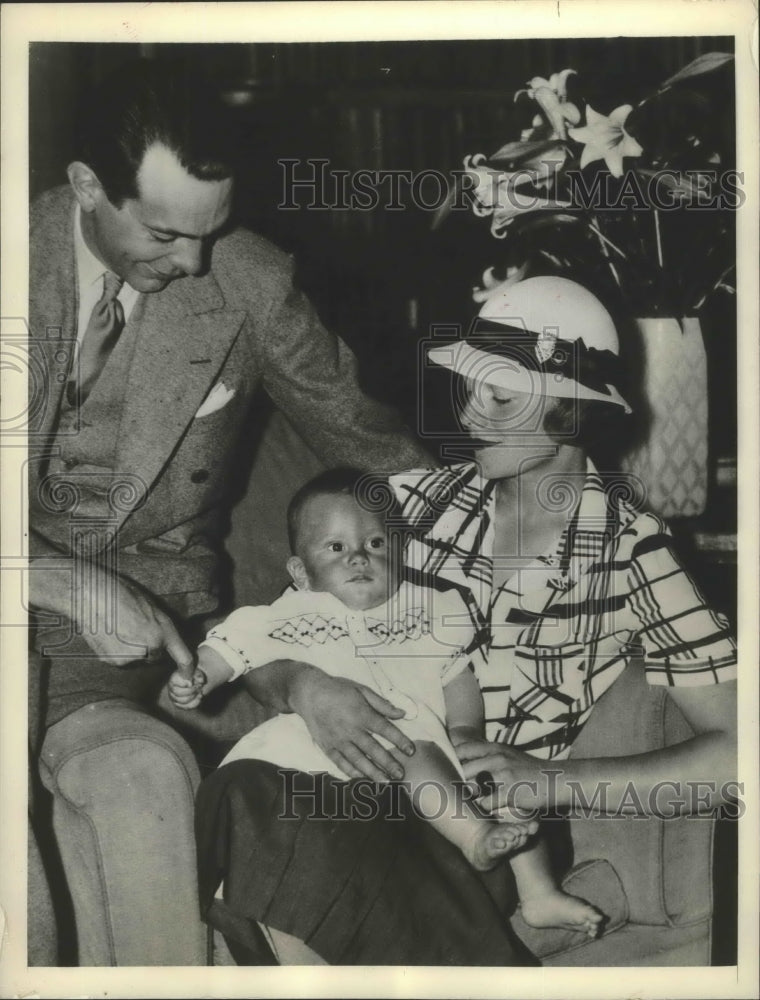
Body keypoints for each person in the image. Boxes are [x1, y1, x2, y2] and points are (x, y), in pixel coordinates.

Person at [27, 59, 431, 966]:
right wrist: (57, 576)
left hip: (156, 643)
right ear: (87, 187)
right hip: (24, 608)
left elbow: (368, 439)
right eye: (168, 234)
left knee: (143, 778)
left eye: (211, 232)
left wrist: (516, 546)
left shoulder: (244, 278)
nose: (196, 263)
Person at [236, 275, 737, 961]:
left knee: (285, 838)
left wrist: (550, 781)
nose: (471, 417)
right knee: (248, 797)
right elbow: (263, 637)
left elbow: (739, 755)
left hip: (484, 834)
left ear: (569, 409)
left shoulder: (631, 548)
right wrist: (302, 685)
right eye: (471, 392)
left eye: (499, 398)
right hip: (349, 783)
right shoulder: (402, 510)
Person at [171, 469, 602, 960]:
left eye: (375, 542)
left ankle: (536, 890)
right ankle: (475, 840)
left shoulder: (430, 610)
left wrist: (465, 731)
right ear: (299, 571)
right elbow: (227, 652)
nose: (359, 556)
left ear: (398, 553)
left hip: (413, 766)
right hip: (311, 759)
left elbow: (456, 676)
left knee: (492, 781)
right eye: (334, 548)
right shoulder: (282, 616)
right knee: (265, 799)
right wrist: (195, 677)